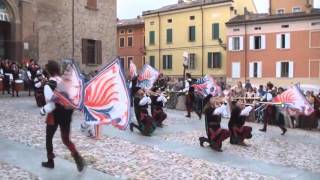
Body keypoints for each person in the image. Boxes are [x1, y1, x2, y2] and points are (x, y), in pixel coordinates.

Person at [40, 60, 85, 171]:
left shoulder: (48, 85)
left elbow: (51, 104)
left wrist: (42, 111)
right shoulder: (64, 81)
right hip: (66, 114)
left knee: (48, 138)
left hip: (54, 116)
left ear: (49, 72)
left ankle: (50, 161)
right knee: (66, 139)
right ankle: (77, 158)